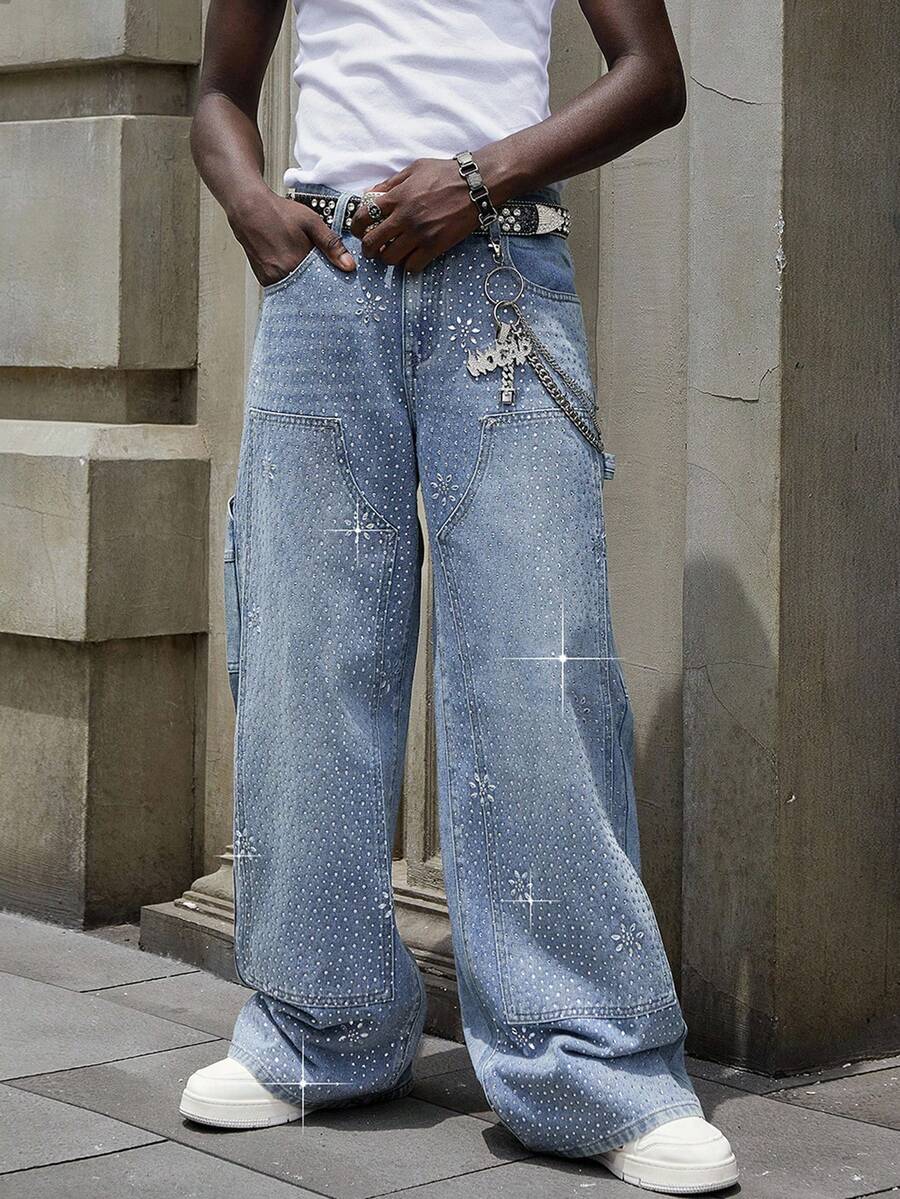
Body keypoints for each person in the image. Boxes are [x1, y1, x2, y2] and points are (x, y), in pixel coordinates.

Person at [180, 0, 739, 1191]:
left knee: (536, 667)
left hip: (502, 269)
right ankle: (316, 1023)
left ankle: (593, 1062)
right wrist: (251, 208)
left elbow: (653, 76)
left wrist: (480, 178)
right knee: (305, 664)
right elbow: (218, 90)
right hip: (323, 286)